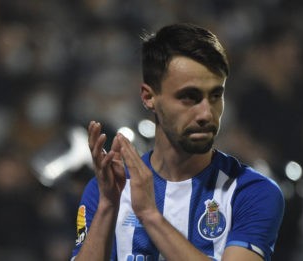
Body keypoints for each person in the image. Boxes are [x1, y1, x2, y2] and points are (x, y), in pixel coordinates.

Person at [70, 23, 284, 261]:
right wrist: (108, 206)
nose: (206, 113)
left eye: (215, 96)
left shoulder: (251, 191)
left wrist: (150, 215)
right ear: (149, 97)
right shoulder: (110, 190)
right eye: (188, 97)